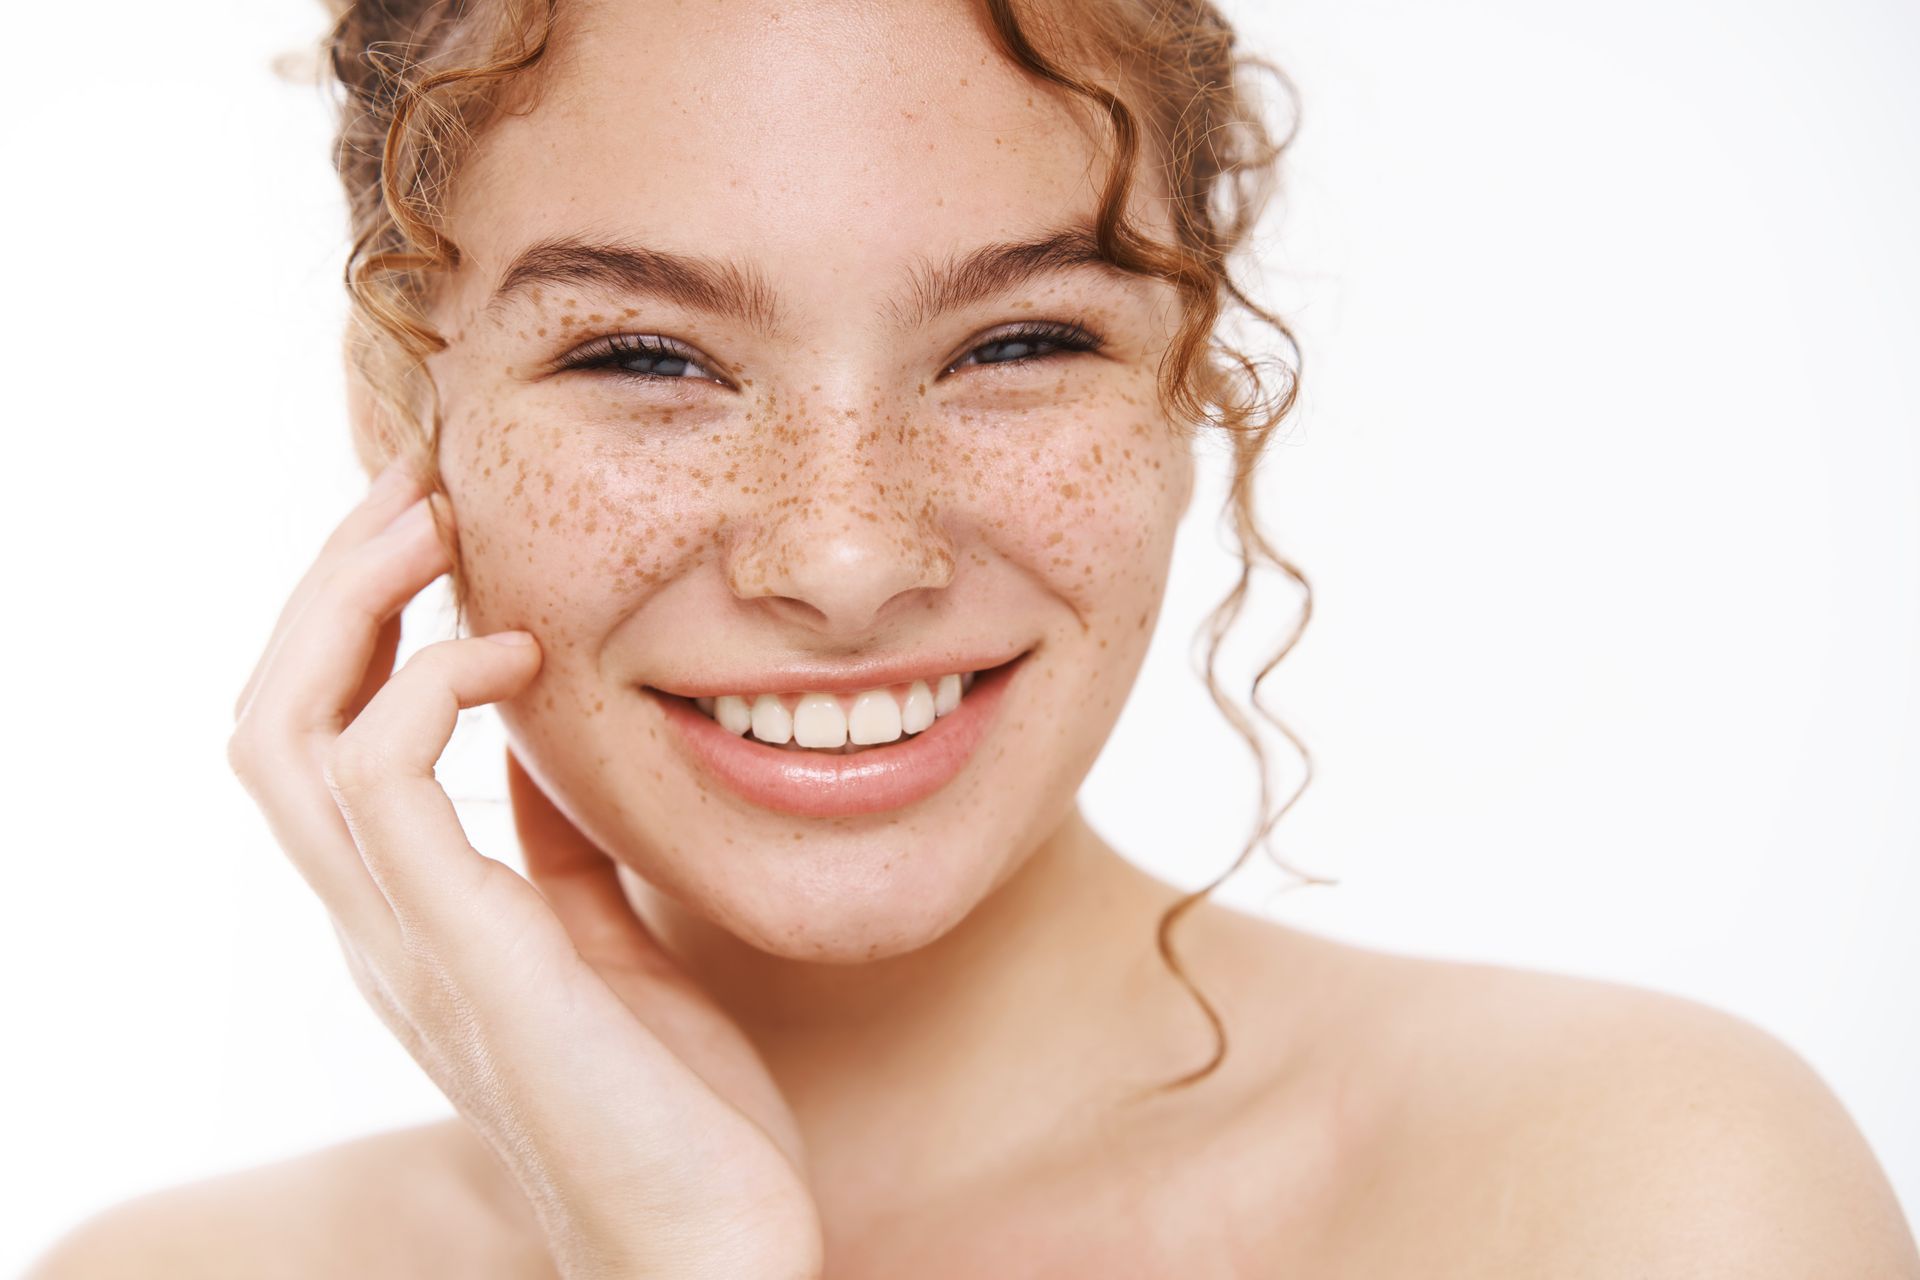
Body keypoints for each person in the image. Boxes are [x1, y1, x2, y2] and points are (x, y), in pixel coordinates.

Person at [30, 0, 1918, 1275]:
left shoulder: (1633, 1199)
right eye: (646, 357)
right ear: (399, 413)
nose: (846, 554)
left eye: (1019, 344)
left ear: (1188, 380)